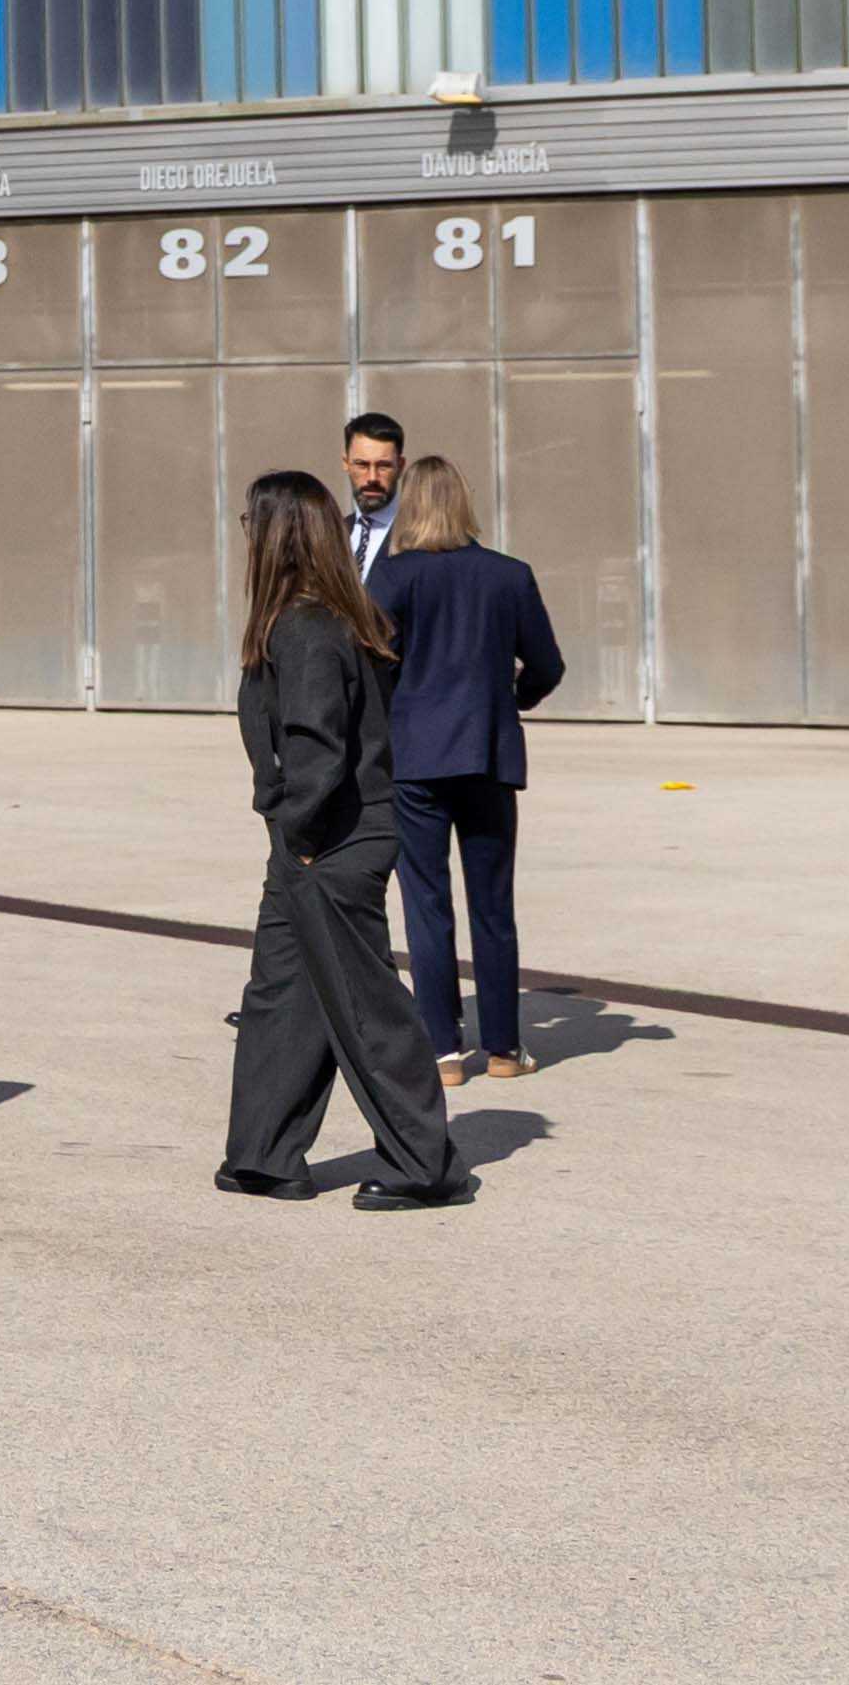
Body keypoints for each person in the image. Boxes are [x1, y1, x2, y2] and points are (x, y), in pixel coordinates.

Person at [216, 470, 472, 1212]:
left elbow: (319, 749)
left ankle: (426, 1165)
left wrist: (298, 834)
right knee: (281, 995)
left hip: (329, 840)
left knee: (363, 1007)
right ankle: (264, 1154)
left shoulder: (305, 626)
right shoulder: (319, 618)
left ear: (278, 536)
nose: (245, 536)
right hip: (309, 839)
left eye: (250, 523)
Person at [371, 453, 567, 1091]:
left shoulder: (391, 578)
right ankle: (505, 1048)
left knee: (426, 904)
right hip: (487, 754)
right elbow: (548, 665)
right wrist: (516, 697)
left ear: (410, 506)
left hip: (415, 759)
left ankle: (443, 1051)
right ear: (463, 501)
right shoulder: (509, 575)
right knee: (493, 904)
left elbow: (370, 665)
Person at [340, 412, 406, 582]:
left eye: (383, 466)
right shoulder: (334, 535)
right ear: (346, 463)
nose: (372, 478)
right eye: (362, 465)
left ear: (400, 466)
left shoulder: (419, 535)